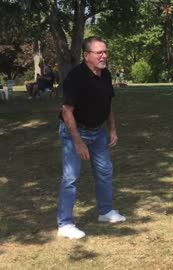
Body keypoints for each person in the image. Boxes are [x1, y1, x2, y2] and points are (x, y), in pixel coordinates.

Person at [57, 36, 126, 240]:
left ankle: (106, 212)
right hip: (74, 131)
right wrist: (77, 142)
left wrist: (112, 130)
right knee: (70, 177)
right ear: (87, 56)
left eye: (105, 51)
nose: (104, 55)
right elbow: (67, 111)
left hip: (98, 132)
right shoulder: (76, 77)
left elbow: (108, 106)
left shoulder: (105, 75)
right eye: (99, 53)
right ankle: (65, 224)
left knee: (105, 171)